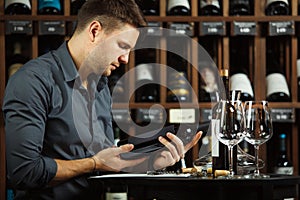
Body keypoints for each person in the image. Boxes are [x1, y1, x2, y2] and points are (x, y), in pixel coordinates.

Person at [2, 0, 202, 199]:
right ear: (95, 31)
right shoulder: (33, 81)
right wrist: (94, 163)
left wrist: (151, 162)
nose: (125, 59)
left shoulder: (100, 85)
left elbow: (107, 165)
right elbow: (24, 171)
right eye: (122, 46)